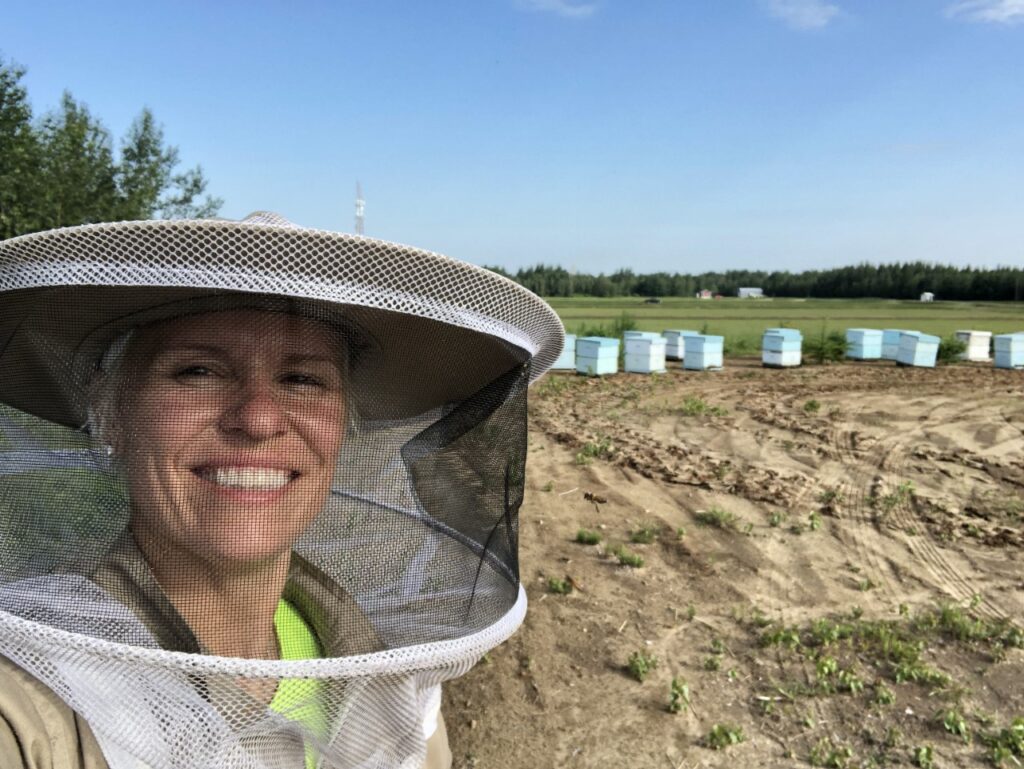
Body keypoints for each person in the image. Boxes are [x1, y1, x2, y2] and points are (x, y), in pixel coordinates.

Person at [0, 212, 563, 768]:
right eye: (198, 371)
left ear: (343, 426)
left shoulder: (390, 677)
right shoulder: (27, 704)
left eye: (302, 379)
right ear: (112, 417)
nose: (260, 419)